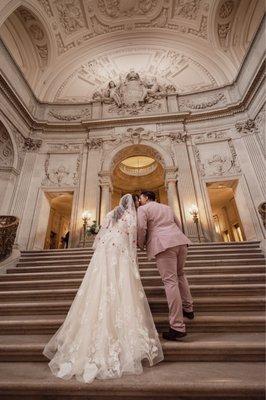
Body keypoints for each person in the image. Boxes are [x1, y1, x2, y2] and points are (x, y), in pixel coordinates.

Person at [43, 194, 163, 383]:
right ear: (131, 205)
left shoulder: (110, 214)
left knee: (99, 285)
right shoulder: (132, 217)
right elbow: (133, 240)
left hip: (105, 250)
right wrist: (134, 263)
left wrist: (102, 249)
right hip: (121, 249)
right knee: (121, 286)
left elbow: (100, 237)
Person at [137, 191, 194, 340]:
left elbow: (142, 228)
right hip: (180, 241)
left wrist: (141, 244)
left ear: (146, 198)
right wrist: (178, 237)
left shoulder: (143, 209)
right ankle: (188, 308)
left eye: (141, 197)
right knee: (180, 274)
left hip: (163, 244)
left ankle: (177, 326)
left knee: (170, 281)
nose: (140, 200)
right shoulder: (167, 207)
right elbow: (178, 224)